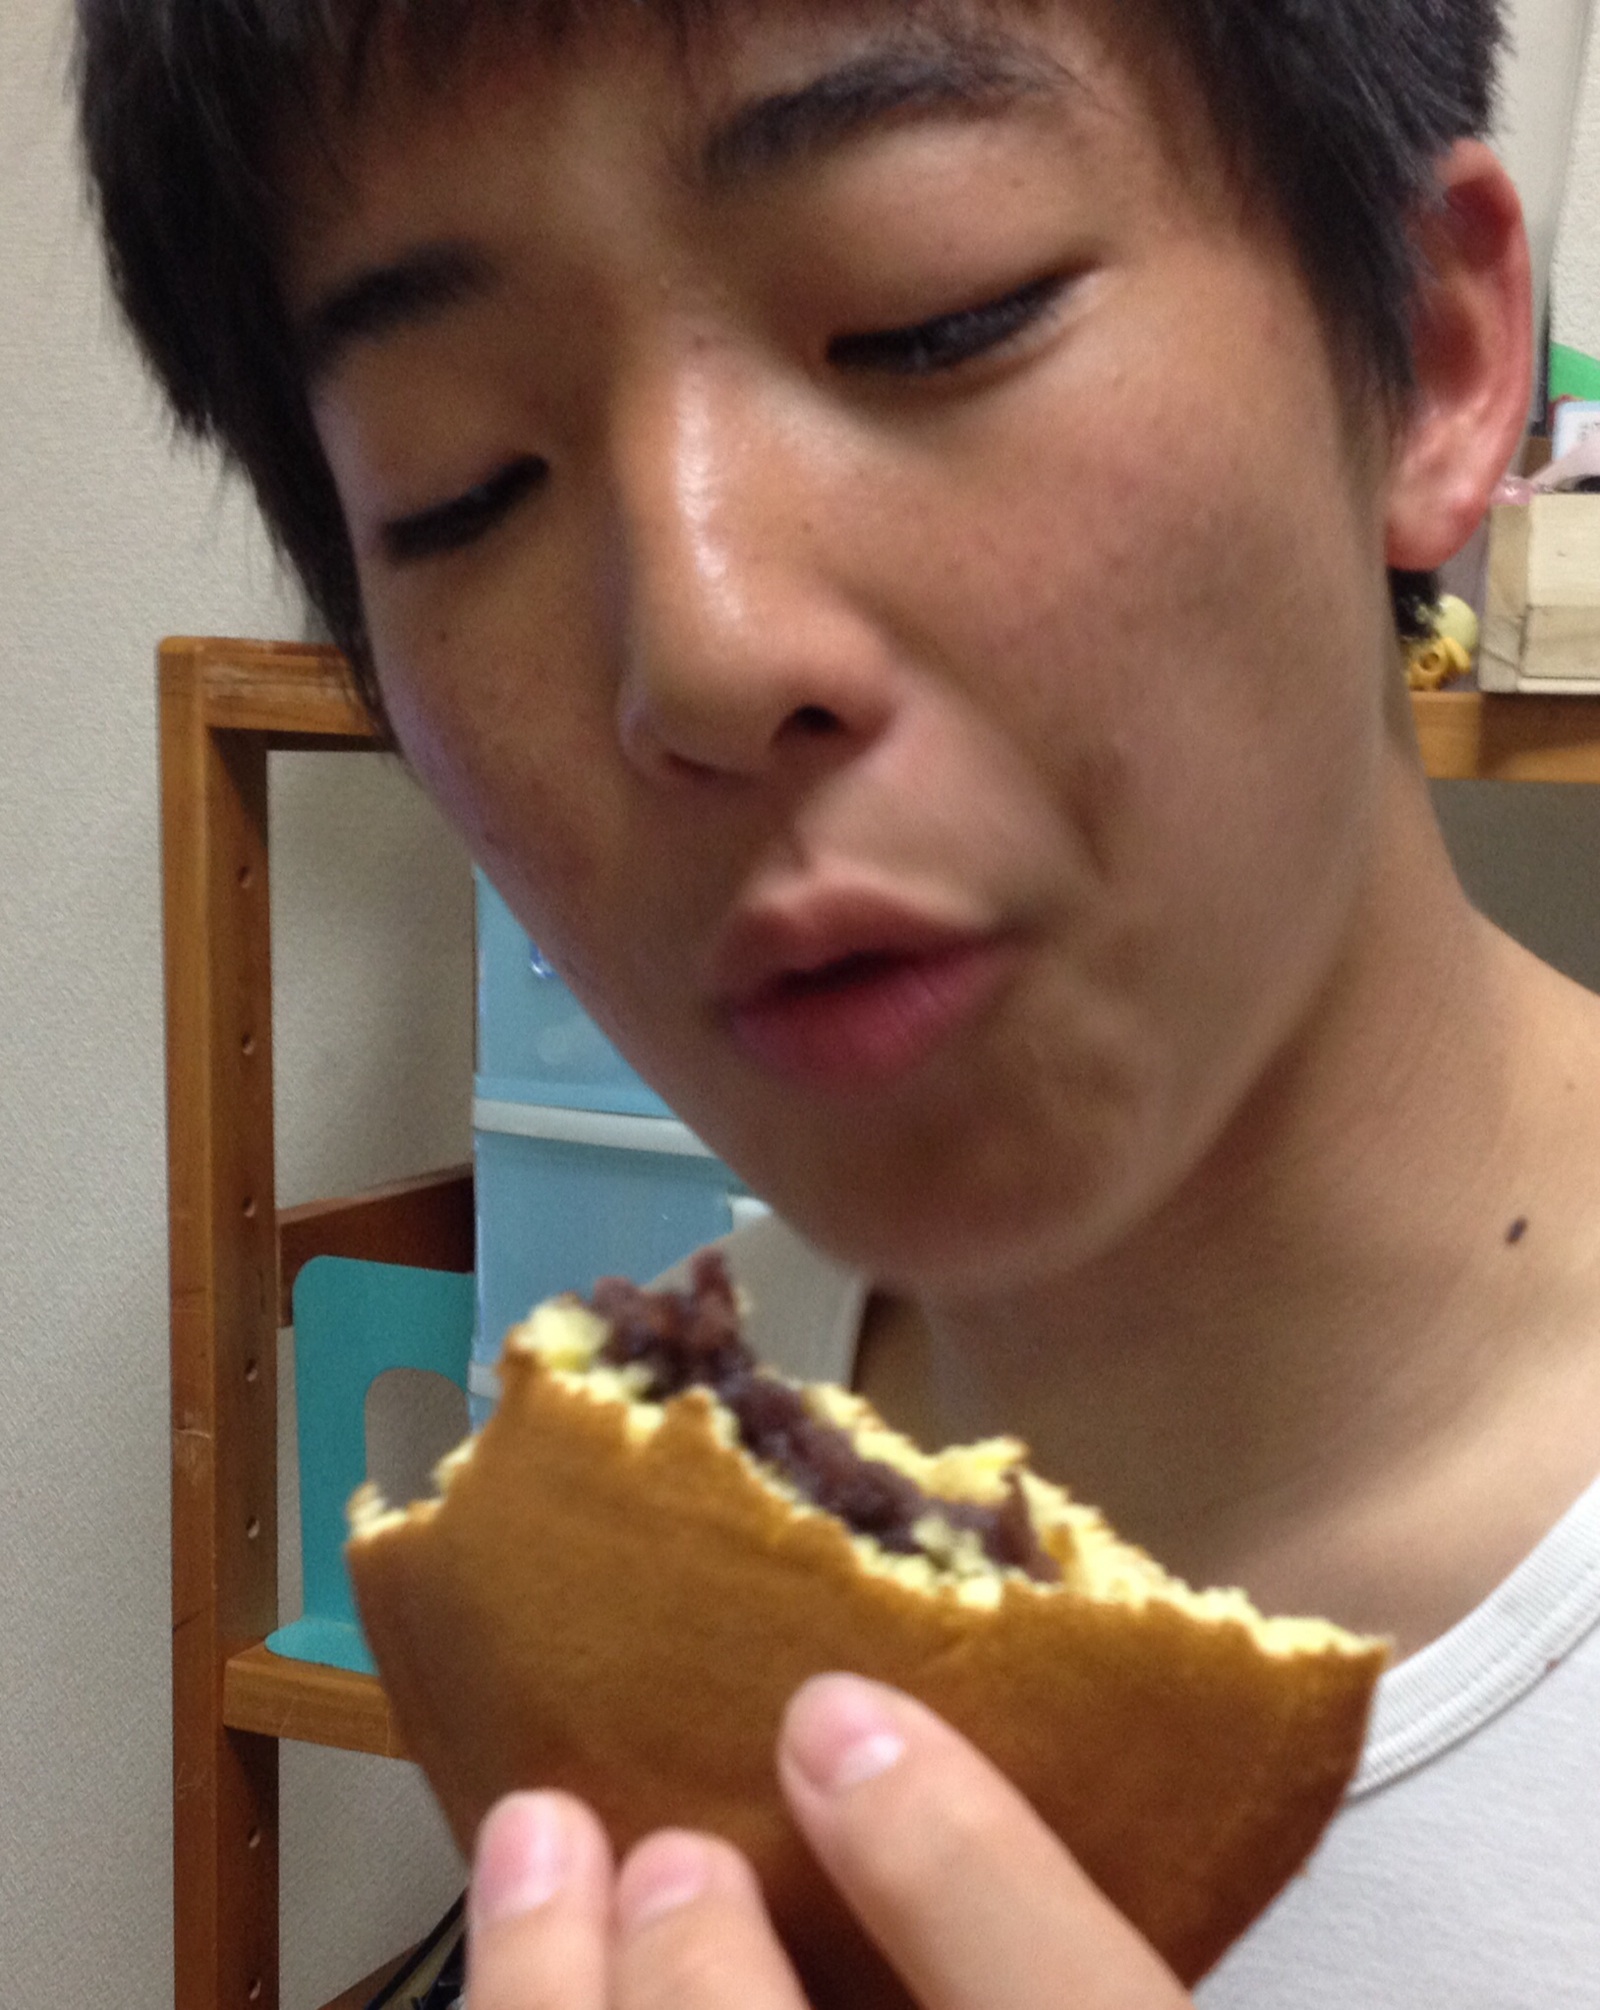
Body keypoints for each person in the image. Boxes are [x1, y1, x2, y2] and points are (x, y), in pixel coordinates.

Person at [77, 0, 1600, 2002]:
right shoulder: (649, 1541)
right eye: (459, 484)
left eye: (930, 317)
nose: (701, 648)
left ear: (1429, 357)